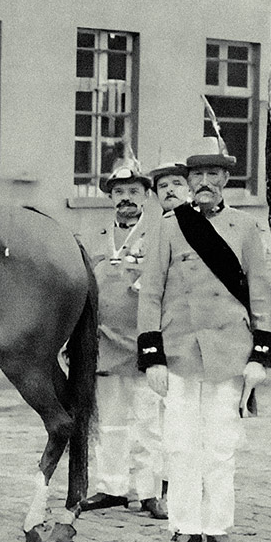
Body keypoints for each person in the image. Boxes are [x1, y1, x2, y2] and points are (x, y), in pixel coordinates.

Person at [137, 136, 271, 542]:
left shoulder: (246, 227)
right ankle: (183, 525)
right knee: (180, 443)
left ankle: (217, 525)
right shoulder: (168, 226)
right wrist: (152, 356)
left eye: (212, 174)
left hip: (230, 352)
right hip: (180, 351)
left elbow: (260, 293)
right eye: (196, 175)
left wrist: (260, 356)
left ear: (226, 179)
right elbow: (150, 294)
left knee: (221, 443)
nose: (203, 182)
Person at [81, 155, 167, 520]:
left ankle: (150, 492)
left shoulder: (161, 233)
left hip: (144, 340)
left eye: (134, 191)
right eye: (119, 192)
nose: (126, 198)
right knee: (110, 420)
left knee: (149, 421)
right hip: (103, 341)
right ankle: (112, 486)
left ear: (147, 195)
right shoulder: (95, 234)